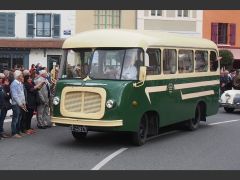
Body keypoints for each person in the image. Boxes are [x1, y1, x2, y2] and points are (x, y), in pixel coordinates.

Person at [10, 70, 26, 138]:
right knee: (15, 119)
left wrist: (24, 103)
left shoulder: (20, 83)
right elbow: (15, 95)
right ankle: (14, 133)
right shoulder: (14, 84)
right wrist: (20, 103)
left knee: (19, 118)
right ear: (18, 76)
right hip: (16, 104)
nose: (22, 76)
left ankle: (18, 131)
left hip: (20, 104)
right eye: (21, 75)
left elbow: (22, 94)